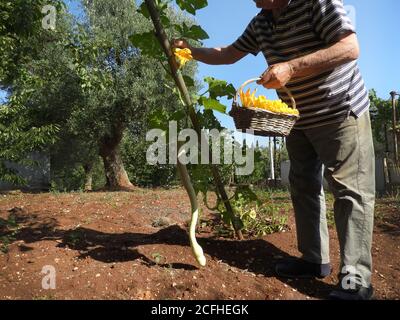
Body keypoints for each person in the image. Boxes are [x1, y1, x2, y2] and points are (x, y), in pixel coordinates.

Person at [173, 0, 375, 300]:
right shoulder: (262, 22)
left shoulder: (317, 4)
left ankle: (356, 280)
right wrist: (189, 50)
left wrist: (292, 67)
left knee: (350, 191)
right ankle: (313, 260)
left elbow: (349, 48)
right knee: (303, 185)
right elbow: (228, 54)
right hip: (295, 117)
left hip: (339, 110)